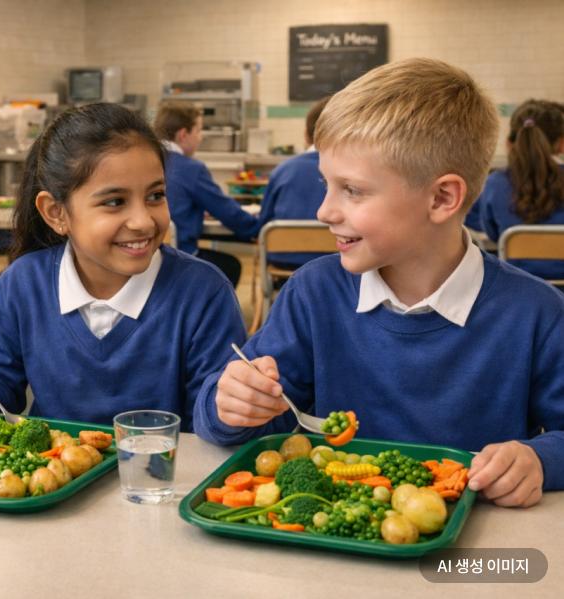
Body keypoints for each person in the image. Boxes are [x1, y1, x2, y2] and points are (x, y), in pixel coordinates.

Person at [194, 58, 564, 507]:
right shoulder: (314, 293)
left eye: (352, 190)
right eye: (326, 184)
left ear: (442, 198)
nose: (324, 211)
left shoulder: (537, 313)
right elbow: (242, 418)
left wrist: (540, 460)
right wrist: (230, 404)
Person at [0, 103, 247, 429]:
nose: (143, 221)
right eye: (114, 202)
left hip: (162, 464)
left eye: (155, 195)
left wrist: (236, 408)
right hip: (51, 463)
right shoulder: (22, 284)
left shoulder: (204, 293)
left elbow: (214, 418)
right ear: (56, 213)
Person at [154, 101, 258, 287]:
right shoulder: (192, 168)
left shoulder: (147, 161)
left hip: (149, 259)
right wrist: (258, 228)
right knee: (230, 266)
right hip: (180, 257)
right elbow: (226, 211)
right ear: (183, 134)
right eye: (198, 131)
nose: (200, 138)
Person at [480, 99, 564, 280]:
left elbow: (494, 234)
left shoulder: (494, 184)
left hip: (517, 286)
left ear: (510, 143)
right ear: (561, 143)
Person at [257, 96, 331, 270]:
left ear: (306, 136)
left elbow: (263, 223)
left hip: (284, 259)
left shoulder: (283, 169)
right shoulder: (356, 171)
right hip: (338, 260)